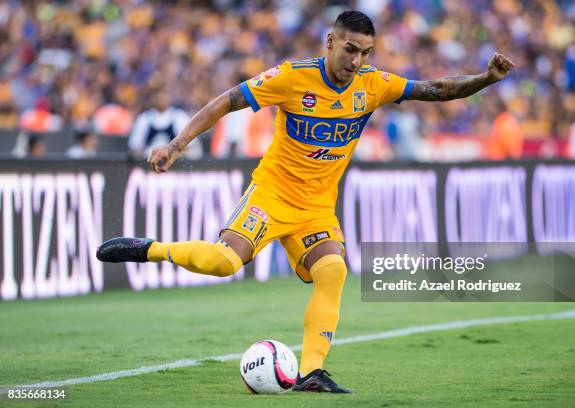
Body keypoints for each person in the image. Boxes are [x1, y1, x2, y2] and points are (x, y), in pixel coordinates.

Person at [97, 10, 515, 393]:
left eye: (366, 52)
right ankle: (147, 248)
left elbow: (436, 90)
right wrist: (177, 144)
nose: (356, 61)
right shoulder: (291, 77)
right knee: (224, 263)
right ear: (330, 42)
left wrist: (486, 78)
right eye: (350, 49)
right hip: (272, 194)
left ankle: (311, 373)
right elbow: (227, 100)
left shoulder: (374, 84)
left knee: (334, 270)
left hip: (316, 208)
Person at [128, 87, 201, 160]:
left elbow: (191, 147)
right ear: (152, 99)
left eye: (164, 95)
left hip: (176, 164)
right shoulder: (144, 118)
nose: (161, 98)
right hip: (148, 163)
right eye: (158, 95)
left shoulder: (180, 116)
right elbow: (135, 148)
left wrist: (171, 155)